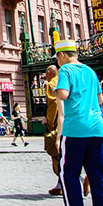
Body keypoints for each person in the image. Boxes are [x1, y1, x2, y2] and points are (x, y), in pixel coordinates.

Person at [53, 39, 103, 206]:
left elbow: (63, 94)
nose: (57, 62)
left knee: (69, 174)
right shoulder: (90, 71)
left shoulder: (66, 69)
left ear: (62, 55)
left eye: (57, 58)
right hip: (96, 129)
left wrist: (54, 90)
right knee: (99, 175)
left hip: (75, 130)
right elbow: (100, 100)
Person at [43, 64, 62, 196]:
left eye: (46, 73)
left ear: (50, 73)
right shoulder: (63, 81)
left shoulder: (51, 85)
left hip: (57, 124)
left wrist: (49, 122)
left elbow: (53, 105)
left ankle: (66, 181)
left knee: (56, 153)